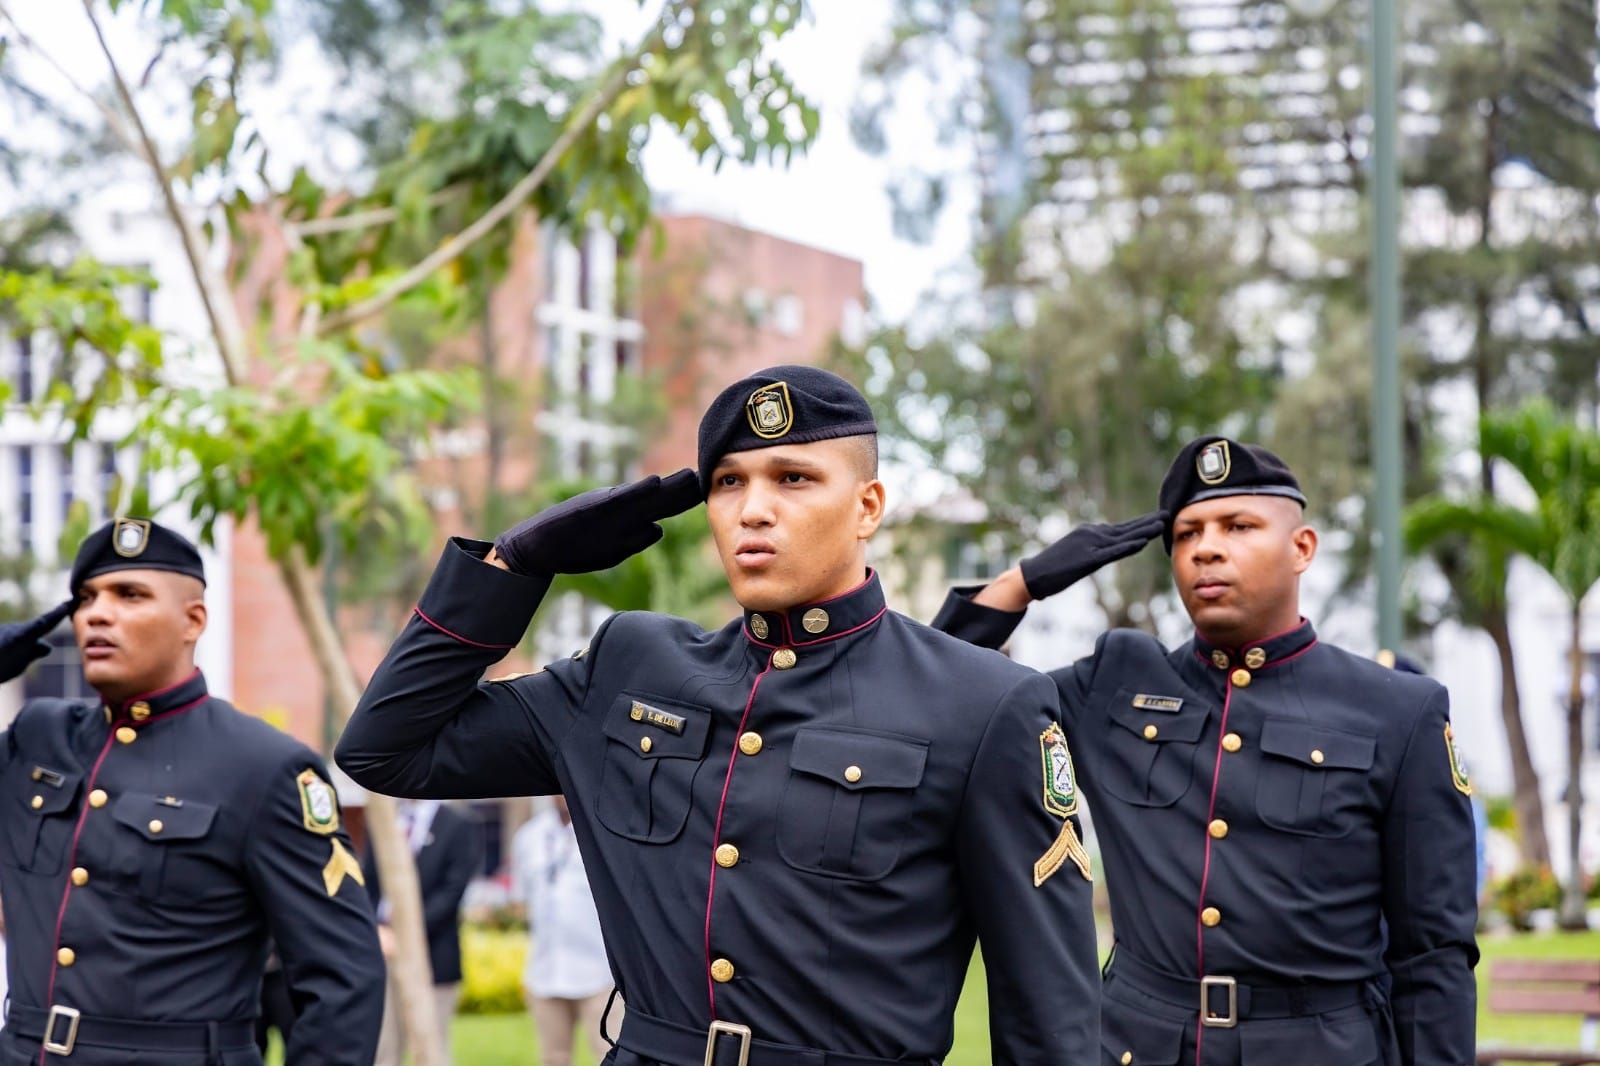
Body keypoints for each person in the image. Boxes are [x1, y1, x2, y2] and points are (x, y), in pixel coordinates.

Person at [337, 365, 1101, 1065]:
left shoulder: (983, 703)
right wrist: (512, 568)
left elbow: (1051, 1019)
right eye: (729, 483)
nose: (753, 510)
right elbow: (387, 750)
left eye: (793, 478)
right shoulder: (630, 667)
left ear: (868, 506)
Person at [931, 436, 1479, 1066]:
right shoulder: (1116, 682)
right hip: (1139, 1047)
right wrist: (1020, 585)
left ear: (1302, 548)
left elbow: (1433, 954)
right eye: (1187, 534)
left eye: (1238, 525)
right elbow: (937, 701)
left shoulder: (1397, 710)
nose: (1206, 548)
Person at [0, 517, 385, 1065]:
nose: (98, 614)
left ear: (193, 620)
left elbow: (345, 981)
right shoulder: (37, 738)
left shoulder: (264, 767)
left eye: (130, 595)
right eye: (85, 598)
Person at [362, 798, 482, 1066]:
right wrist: (377, 930)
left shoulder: (457, 823)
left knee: (431, 1045)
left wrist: (406, 934)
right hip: (384, 949)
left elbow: (452, 891)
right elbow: (367, 881)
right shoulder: (385, 820)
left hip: (433, 955)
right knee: (384, 1047)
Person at [512, 796, 614, 1066]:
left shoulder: (603, 831)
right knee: (554, 1058)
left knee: (610, 1054)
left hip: (599, 973)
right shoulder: (529, 836)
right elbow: (520, 898)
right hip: (545, 972)